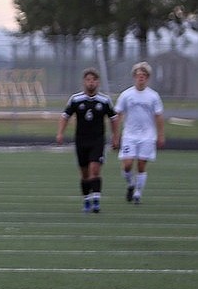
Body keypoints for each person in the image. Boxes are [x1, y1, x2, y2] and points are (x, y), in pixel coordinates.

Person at [56, 68, 119, 213]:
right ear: (84, 82)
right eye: (88, 80)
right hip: (81, 141)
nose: (91, 83)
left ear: (98, 82)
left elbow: (114, 118)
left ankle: (96, 200)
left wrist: (115, 137)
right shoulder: (76, 99)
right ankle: (86, 200)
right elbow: (65, 116)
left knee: (94, 170)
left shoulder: (104, 100)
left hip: (97, 141)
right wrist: (60, 133)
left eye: (94, 80)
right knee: (84, 174)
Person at [114, 62, 165, 205]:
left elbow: (159, 116)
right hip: (130, 135)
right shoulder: (126, 95)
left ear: (147, 78)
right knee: (127, 164)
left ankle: (138, 193)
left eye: (144, 76)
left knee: (142, 165)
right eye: (138, 75)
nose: (140, 78)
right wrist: (115, 135)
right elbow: (118, 114)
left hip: (147, 136)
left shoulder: (153, 96)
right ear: (134, 77)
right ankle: (130, 184)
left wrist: (161, 134)